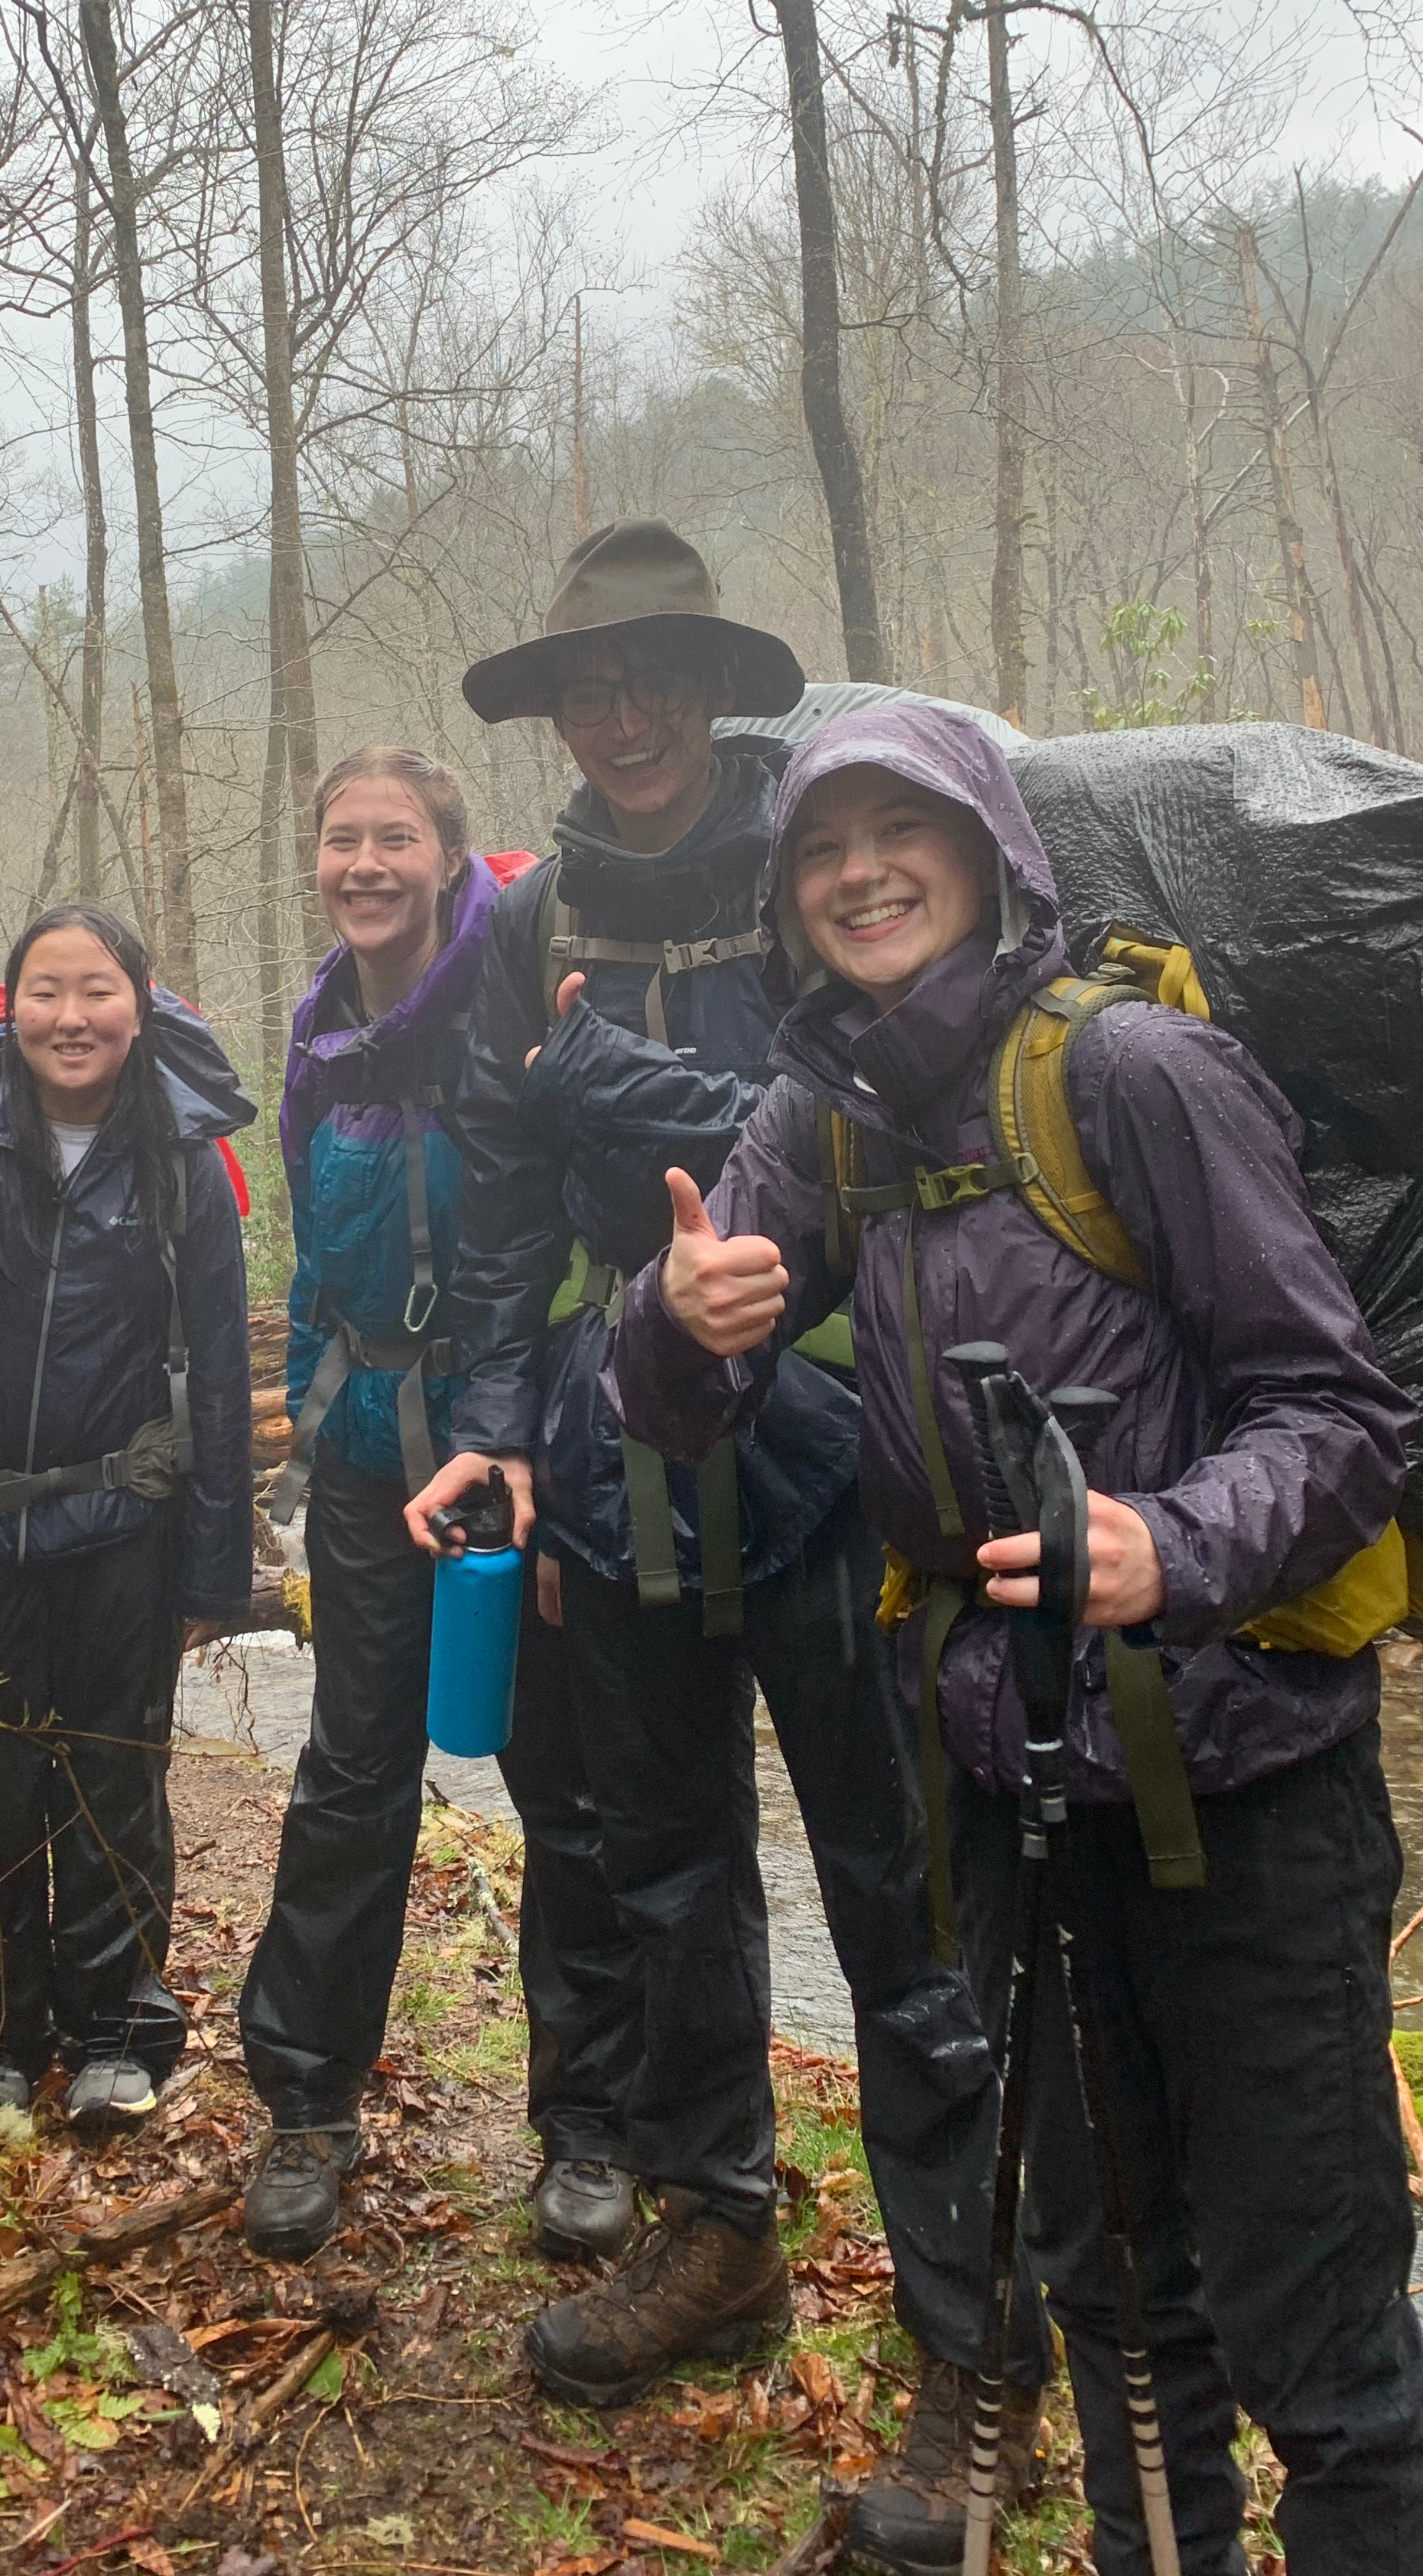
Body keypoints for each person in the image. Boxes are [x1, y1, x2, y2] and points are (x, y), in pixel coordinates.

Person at [612, 701, 1423, 2575]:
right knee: (1117, 2303)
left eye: (903, 831)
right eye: (823, 850)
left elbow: (1342, 1419)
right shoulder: (817, 1114)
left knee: (1316, 2338)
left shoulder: (1136, 1076)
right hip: (1008, 1785)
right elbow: (672, 1407)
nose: (860, 873)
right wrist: (682, 1324)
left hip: (1246, 1784)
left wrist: (1175, 1542)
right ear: (788, 897)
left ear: (994, 853)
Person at [404, 525, 1042, 2516]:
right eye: (591, 686)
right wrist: (503, 1425)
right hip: (623, 1422)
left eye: (655, 675)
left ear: (708, 687)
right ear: (561, 713)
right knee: (661, 1857)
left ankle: (972, 2351)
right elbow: (498, 1188)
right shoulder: (526, 917)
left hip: (847, 1412)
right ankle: (721, 2228)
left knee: (903, 1883)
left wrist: (623, 1082)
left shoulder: (823, 862)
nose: (623, 711)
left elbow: (872, 1113)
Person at [237, 747, 644, 2262]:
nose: (363, 864)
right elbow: (313, 1238)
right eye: (341, 838)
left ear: (449, 853)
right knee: (354, 1766)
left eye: (392, 837)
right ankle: (307, 2104)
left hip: (528, 1443)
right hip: (364, 1449)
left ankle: (592, 2128)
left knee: (562, 1777)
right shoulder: (318, 1024)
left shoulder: (524, 982)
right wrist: (306, 1424)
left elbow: (586, 1211)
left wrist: (552, 1419)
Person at [0, 903, 253, 2138]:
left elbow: (216, 1366)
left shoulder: (183, 1164)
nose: (71, 1017)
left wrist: (215, 1563)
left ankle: (114, 2028)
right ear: (9, 1006)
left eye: (96, 990)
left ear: (139, 1004)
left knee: (112, 1782)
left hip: (122, 1529)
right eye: (45, 991)